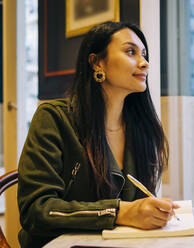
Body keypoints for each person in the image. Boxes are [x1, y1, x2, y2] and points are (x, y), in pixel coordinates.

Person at [17, 22, 178, 248]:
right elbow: (36, 211)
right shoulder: (54, 118)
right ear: (96, 62)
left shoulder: (141, 128)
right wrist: (120, 211)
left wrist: (152, 213)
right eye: (130, 51)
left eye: (144, 54)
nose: (144, 63)